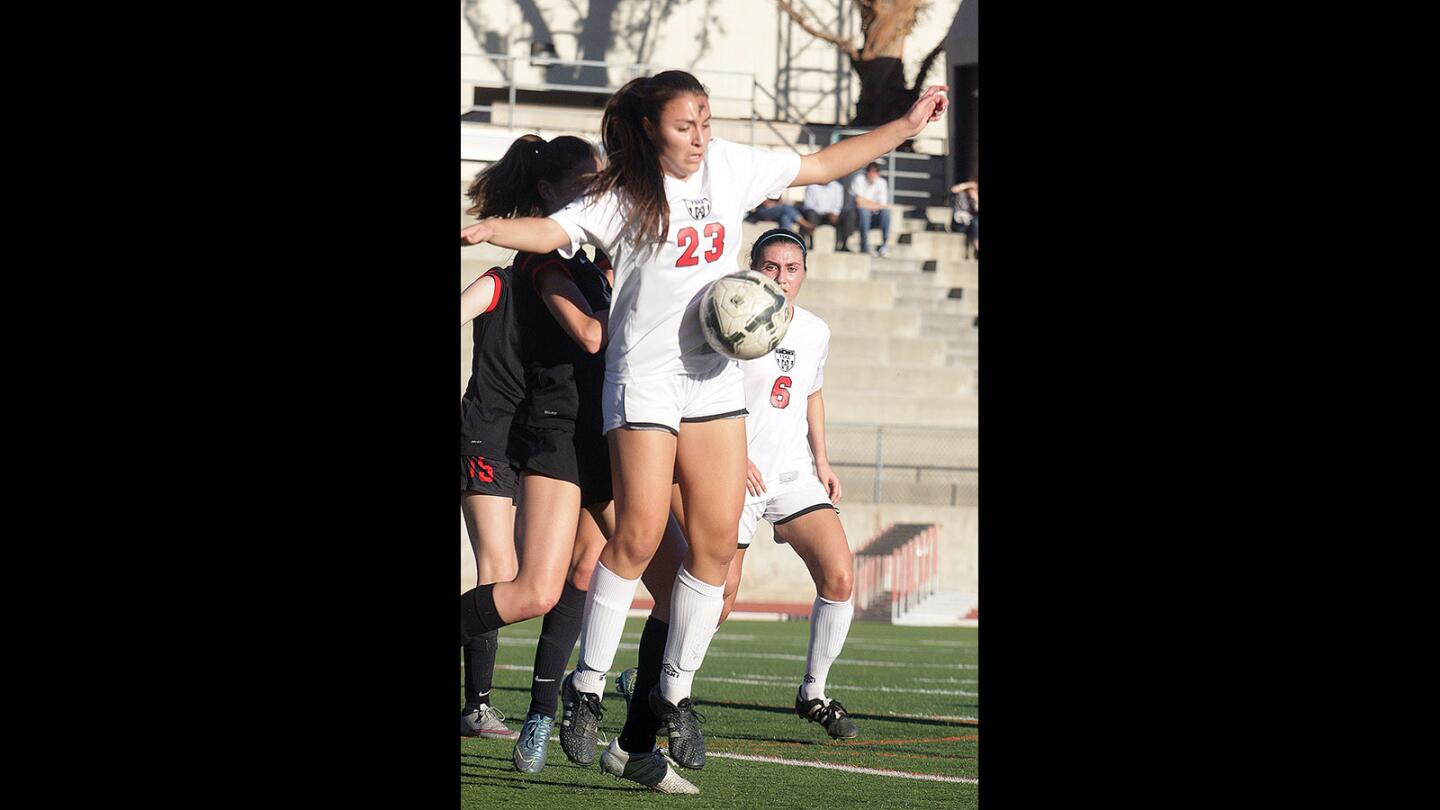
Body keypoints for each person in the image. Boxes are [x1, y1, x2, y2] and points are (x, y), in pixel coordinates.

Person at [460, 70, 947, 792]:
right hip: (645, 380)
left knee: (715, 549)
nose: (700, 137)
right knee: (640, 533)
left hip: (712, 381)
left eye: (706, 121)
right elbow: (555, 231)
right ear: (652, 128)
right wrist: (496, 228)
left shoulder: (729, 165)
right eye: (686, 126)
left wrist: (903, 129)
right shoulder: (625, 191)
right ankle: (587, 687)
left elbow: (819, 164)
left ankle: (674, 695)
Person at [614, 228, 858, 749]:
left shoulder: (815, 330)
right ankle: (665, 688)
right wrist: (733, 453)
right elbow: (703, 394)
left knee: (839, 574)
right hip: (732, 472)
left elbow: (811, 392)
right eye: (770, 267)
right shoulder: (726, 315)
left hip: (792, 472)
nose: (781, 278)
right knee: (719, 597)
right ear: (753, 268)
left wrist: (822, 458)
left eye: (791, 269)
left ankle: (813, 692)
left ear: (804, 275)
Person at [456, 133, 618, 769]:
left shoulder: (586, 264)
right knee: (510, 578)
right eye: (588, 181)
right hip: (494, 432)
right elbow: (590, 335)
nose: (602, 191)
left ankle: (557, 706)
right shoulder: (521, 270)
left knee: (584, 571)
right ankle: (484, 703)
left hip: (561, 429)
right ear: (549, 193)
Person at [798, 179, 854, 251]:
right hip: (817, 214)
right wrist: (825, 212)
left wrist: (835, 213)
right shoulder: (811, 187)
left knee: (849, 215)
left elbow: (838, 204)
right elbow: (809, 205)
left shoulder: (837, 187)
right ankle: (811, 243)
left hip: (832, 215)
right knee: (811, 214)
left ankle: (844, 244)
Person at [850, 162, 892, 256]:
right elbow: (859, 203)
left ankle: (884, 245)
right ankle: (864, 245)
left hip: (875, 216)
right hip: (858, 216)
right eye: (870, 172)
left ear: (878, 173)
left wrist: (867, 203)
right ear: (866, 172)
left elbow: (884, 206)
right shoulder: (859, 180)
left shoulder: (882, 183)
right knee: (864, 212)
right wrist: (875, 205)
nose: (872, 175)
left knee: (886, 213)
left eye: (875, 172)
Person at [951, 179, 979, 257]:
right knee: (975, 222)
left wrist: (976, 200)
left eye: (974, 189)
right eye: (970, 189)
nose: (972, 191)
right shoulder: (961, 195)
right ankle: (977, 245)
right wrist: (967, 185)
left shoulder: (975, 199)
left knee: (975, 222)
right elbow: (954, 190)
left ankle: (976, 244)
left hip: (971, 226)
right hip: (960, 224)